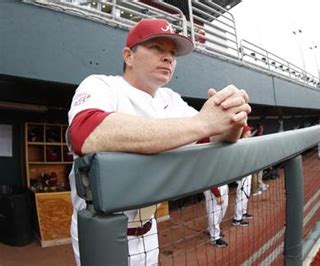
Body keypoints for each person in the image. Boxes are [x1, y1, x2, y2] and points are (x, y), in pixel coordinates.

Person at [66, 18, 251, 265]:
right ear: (129, 56)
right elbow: (85, 134)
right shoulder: (102, 85)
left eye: (172, 53)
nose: (169, 58)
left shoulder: (170, 99)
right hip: (102, 230)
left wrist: (231, 120)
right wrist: (204, 123)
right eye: (157, 48)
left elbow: (210, 137)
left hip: (149, 229)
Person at [233, 126, 253, 226]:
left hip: (247, 172)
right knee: (241, 195)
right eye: (247, 133)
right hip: (241, 173)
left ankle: (243, 213)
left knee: (246, 193)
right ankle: (237, 219)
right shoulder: (238, 146)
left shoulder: (247, 145)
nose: (249, 134)